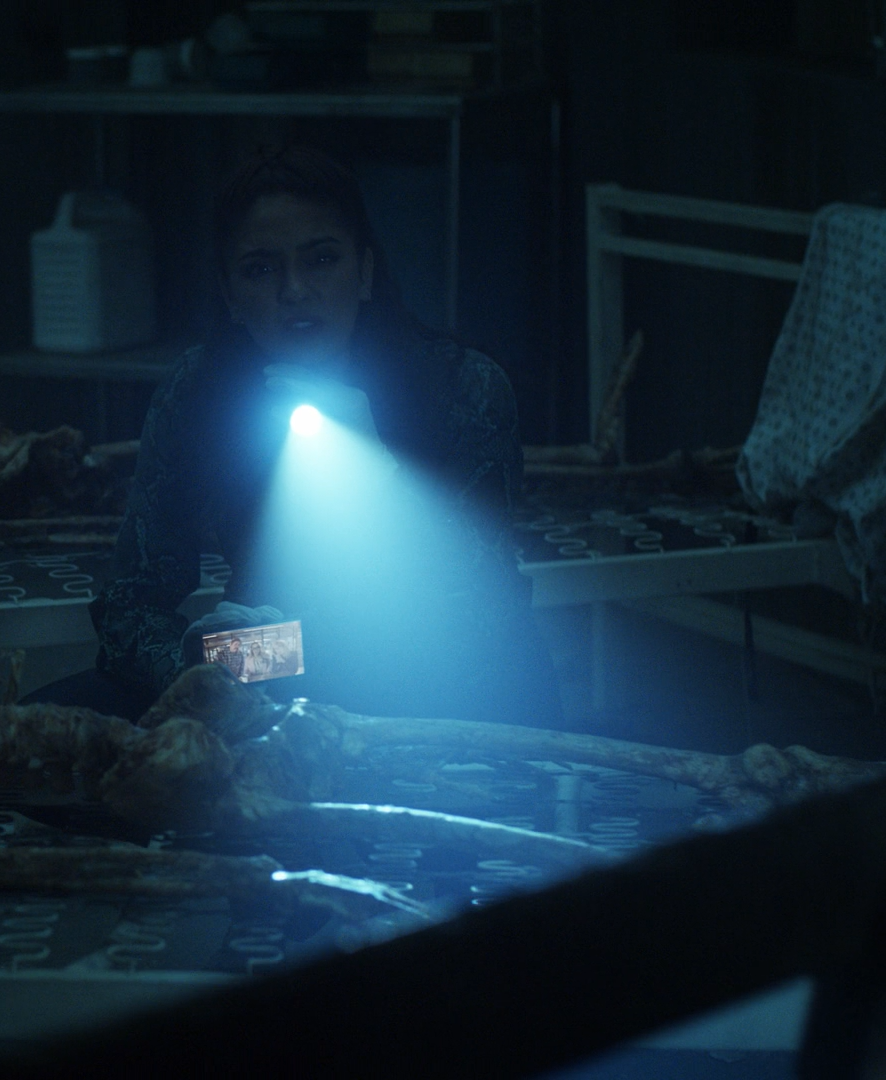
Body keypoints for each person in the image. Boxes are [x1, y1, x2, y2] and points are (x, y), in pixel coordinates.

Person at [28, 144, 562, 728]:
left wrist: (378, 473)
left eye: (322, 259)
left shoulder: (462, 389)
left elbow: (476, 624)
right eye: (261, 269)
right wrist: (205, 665)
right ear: (230, 295)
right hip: (271, 682)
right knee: (34, 728)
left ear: (365, 272)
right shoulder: (199, 390)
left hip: (441, 694)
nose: (295, 290)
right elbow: (130, 603)